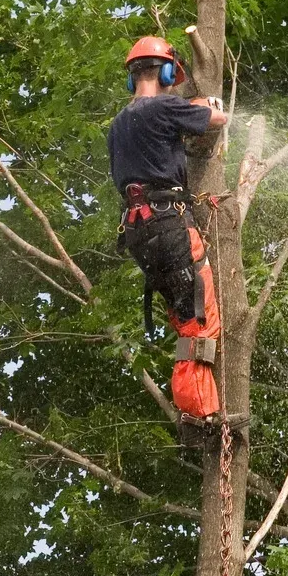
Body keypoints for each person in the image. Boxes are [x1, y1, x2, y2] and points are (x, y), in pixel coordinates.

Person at [108, 36, 229, 419]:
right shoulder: (163, 107)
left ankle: (193, 405)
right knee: (200, 317)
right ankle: (202, 416)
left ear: (132, 77)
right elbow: (217, 119)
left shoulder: (117, 125)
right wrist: (206, 105)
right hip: (168, 220)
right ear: (164, 72)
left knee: (183, 315)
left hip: (137, 232)